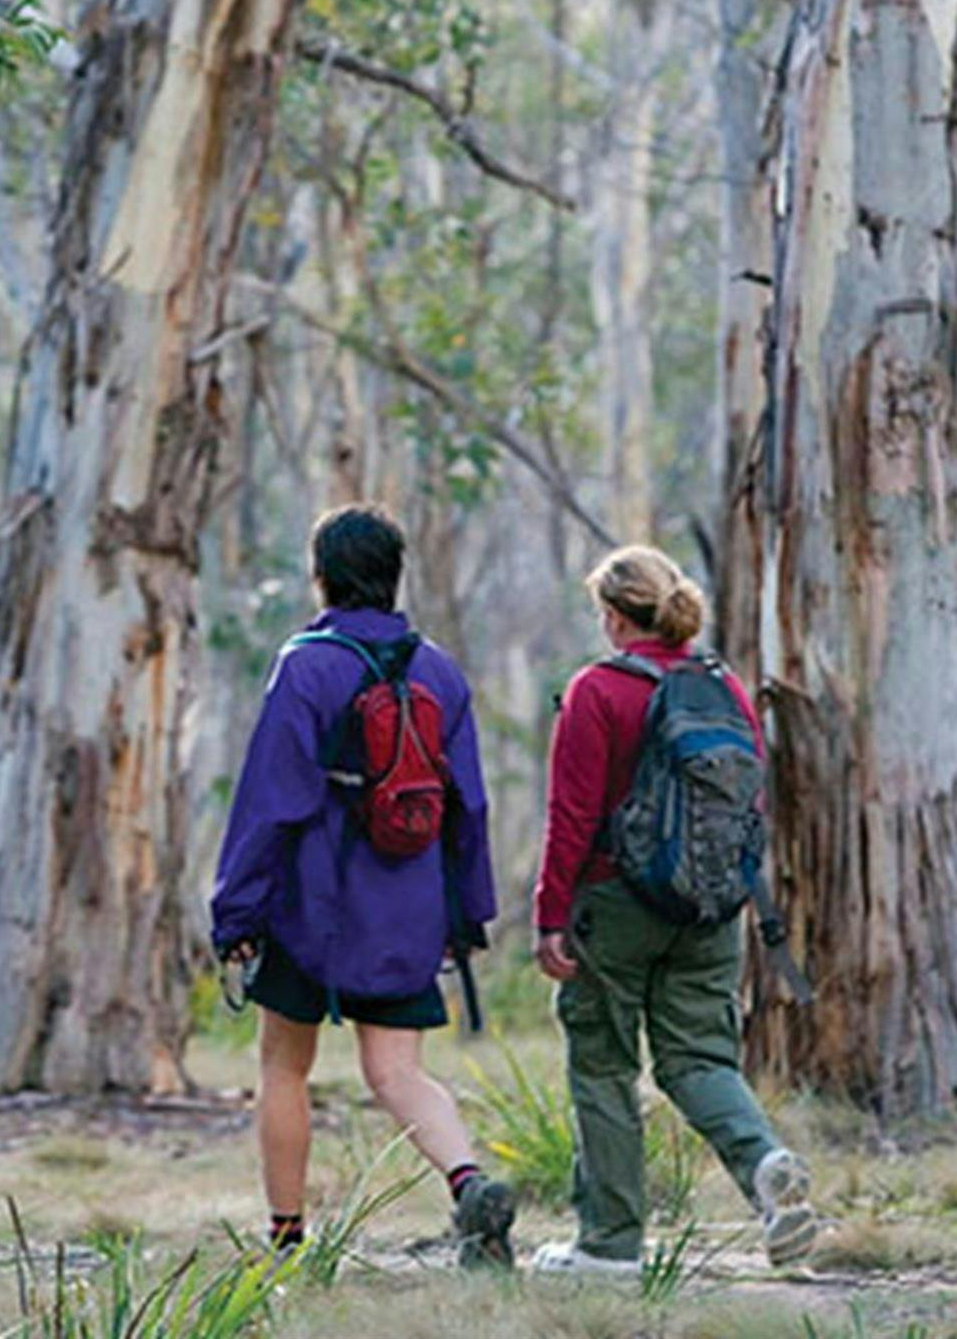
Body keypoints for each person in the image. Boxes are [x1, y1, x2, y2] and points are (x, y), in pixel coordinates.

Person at [210, 504, 515, 1269]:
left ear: (323, 576)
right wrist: (466, 911)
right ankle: (468, 1182)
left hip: (309, 908)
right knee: (397, 1073)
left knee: (284, 1065)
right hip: (406, 908)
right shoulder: (438, 670)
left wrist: (236, 910)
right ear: (392, 576)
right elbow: (467, 805)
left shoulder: (306, 665)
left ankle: (285, 1243)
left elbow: (269, 802)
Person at [530, 544, 816, 1276]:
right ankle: (766, 1164)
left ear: (617, 617)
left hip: (614, 904)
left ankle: (610, 1244)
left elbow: (573, 815)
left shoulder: (597, 691)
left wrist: (550, 915)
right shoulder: (723, 687)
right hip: (710, 907)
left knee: (603, 1066)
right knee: (699, 1057)